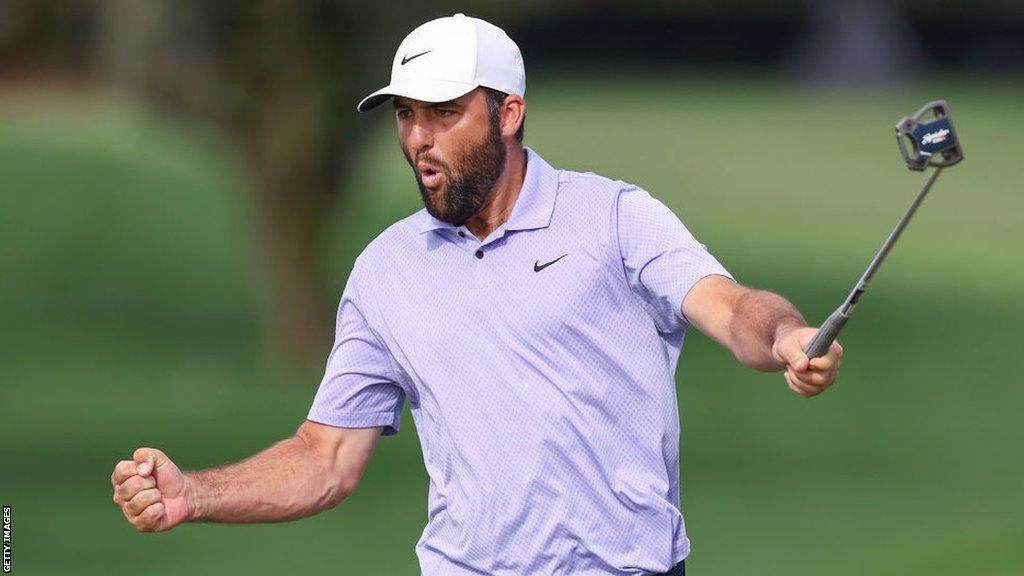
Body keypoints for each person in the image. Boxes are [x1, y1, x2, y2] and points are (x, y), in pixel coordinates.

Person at [110, 13, 842, 576]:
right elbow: (325, 458)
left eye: (443, 113)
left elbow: (731, 306)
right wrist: (194, 495)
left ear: (509, 113)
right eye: (406, 116)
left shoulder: (614, 217)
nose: (419, 139)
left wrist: (785, 338)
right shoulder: (385, 270)